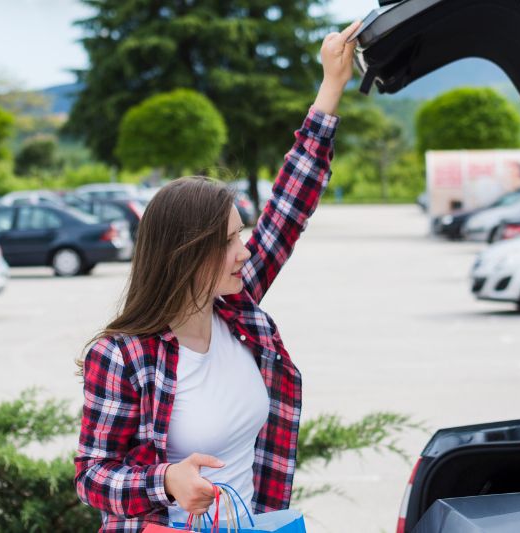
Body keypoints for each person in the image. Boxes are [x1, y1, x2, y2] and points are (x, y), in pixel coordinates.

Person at [74, 20, 362, 532]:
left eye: (241, 233)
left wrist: (332, 83)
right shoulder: (123, 355)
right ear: (186, 254)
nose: (245, 248)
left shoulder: (238, 311)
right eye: (228, 240)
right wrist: (165, 480)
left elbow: (289, 207)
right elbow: (92, 475)